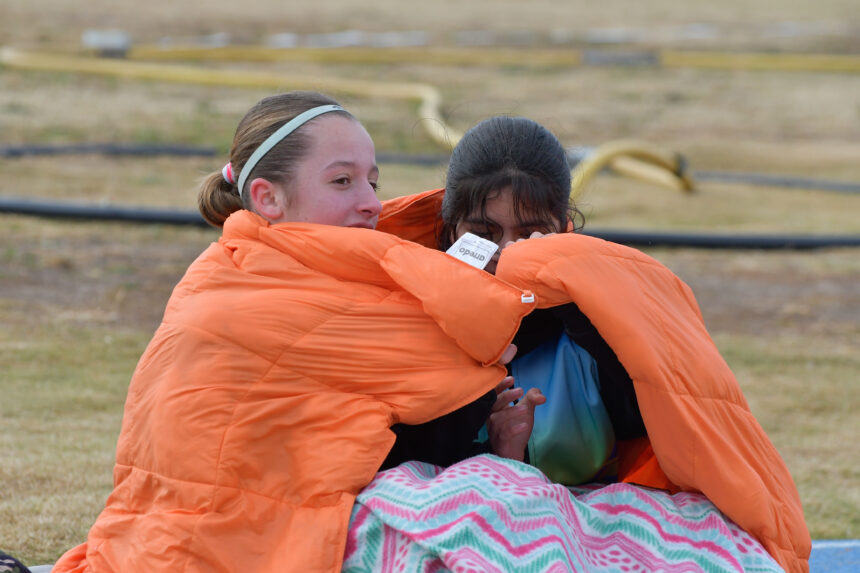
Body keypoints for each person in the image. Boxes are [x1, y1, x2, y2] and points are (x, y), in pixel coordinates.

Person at [51, 92, 532, 573]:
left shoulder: (241, 266)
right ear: (268, 197)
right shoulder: (286, 298)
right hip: (215, 550)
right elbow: (480, 363)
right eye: (342, 181)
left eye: (372, 181)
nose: (370, 203)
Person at [370, 115, 811, 572]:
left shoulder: (605, 322)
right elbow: (389, 474)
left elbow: (668, 438)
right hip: (464, 528)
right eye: (483, 235)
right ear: (448, 234)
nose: (507, 252)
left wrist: (568, 298)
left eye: (529, 235)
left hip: (594, 528)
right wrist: (492, 447)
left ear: (564, 230)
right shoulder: (405, 322)